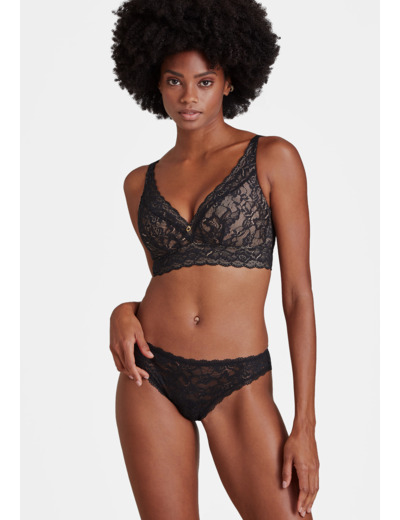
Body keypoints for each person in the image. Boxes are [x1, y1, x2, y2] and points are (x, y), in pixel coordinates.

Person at [109, 0, 319, 518]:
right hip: (150, 376)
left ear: (229, 82)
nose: (188, 96)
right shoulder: (139, 184)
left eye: (204, 82)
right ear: (155, 84)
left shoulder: (272, 158)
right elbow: (169, 279)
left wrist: (304, 424)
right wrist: (123, 310)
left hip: (239, 379)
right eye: (174, 81)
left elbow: (298, 296)